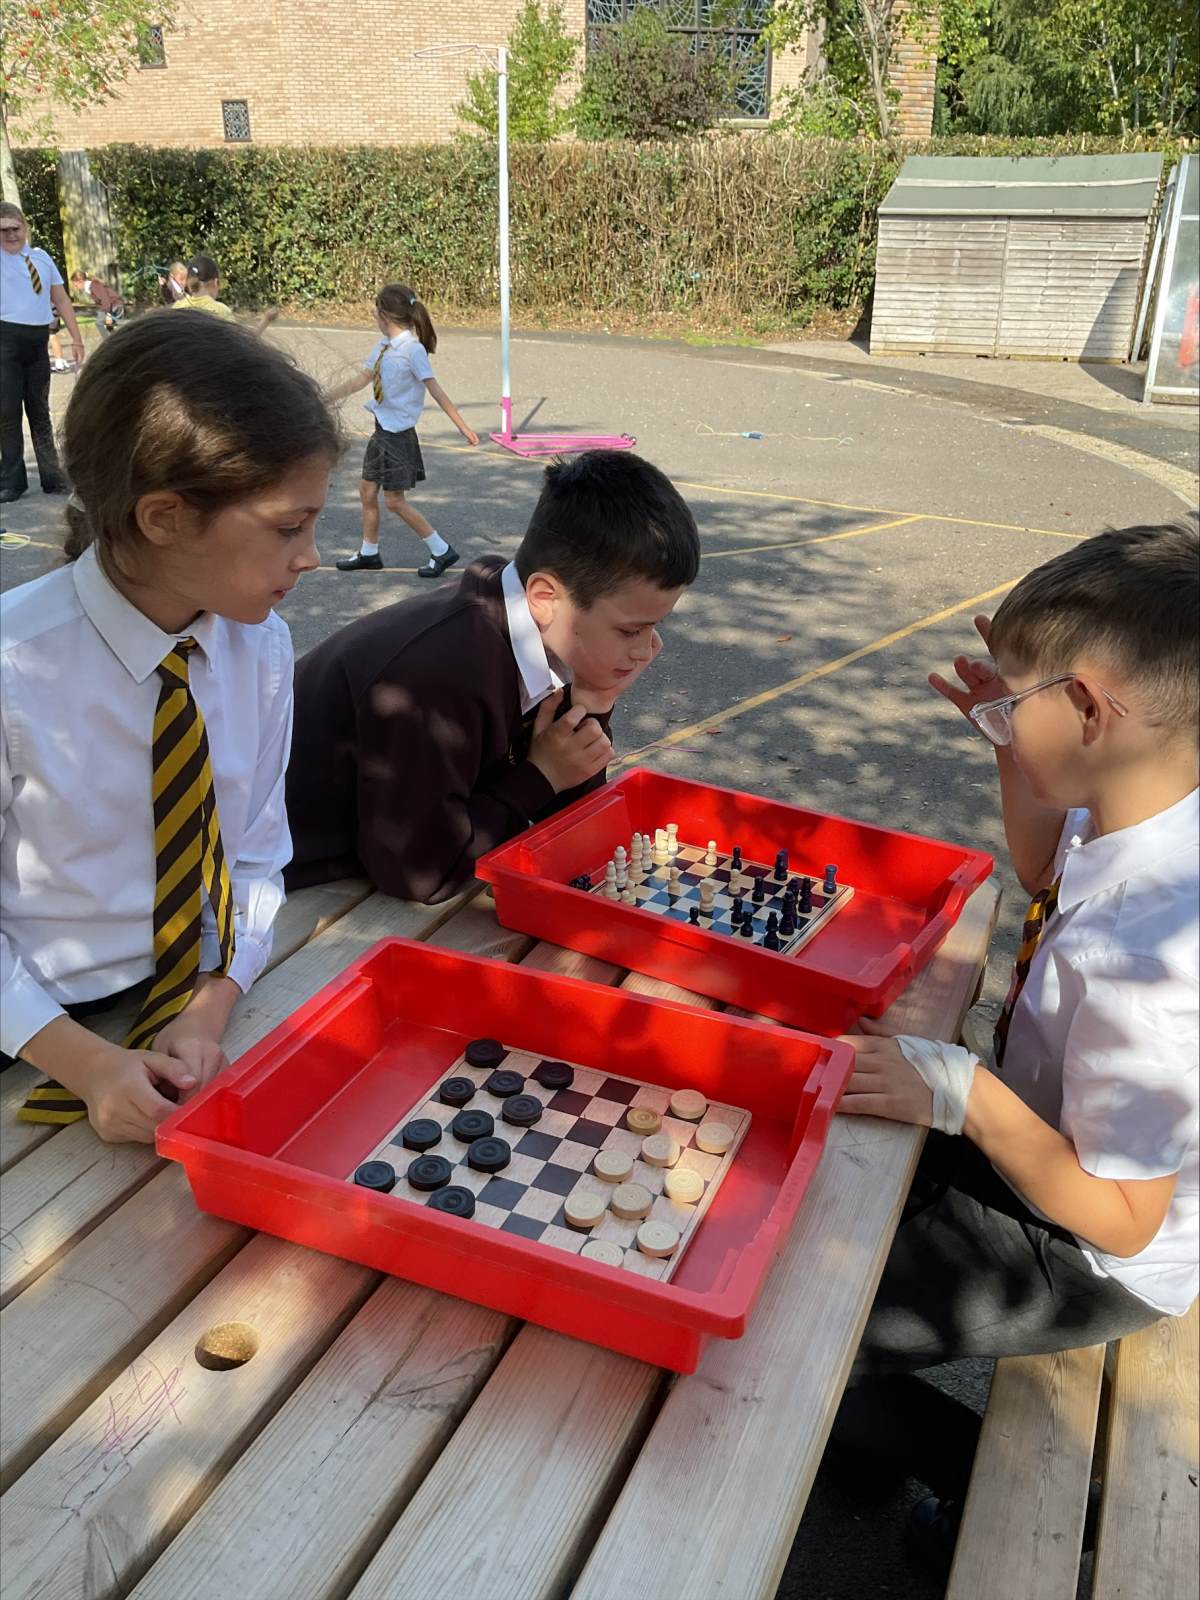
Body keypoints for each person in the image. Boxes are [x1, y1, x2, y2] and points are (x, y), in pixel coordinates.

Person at [830, 521, 1199, 1545]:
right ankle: (854, 1450)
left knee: (807, 1323)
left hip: (1086, 1248)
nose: (1002, 708)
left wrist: (964, 1093)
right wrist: (1010, 743)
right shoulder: (1147, 798)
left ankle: (1007, 1499)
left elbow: (1123, 1219)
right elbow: (1042, 870)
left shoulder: (1146, 962)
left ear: (1089, 708)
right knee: (833, 1189)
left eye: (1017, 697)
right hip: (1048, 1145)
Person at [0, 312, 340, 1143]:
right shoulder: (14, 667)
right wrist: (86, 1064)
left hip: (195, 996)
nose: (312, 556)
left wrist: (211, 1006)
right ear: (163, 517)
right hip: (34, 1033)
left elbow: (254, 853)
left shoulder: (259, 646)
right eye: (288, 527)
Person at [285, 449, 700, 905]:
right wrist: (541, 776)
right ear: (544, 597)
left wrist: (593, 705)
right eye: (630, 630)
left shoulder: (540, 632)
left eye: (655, 626)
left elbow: (576, 829)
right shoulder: (440, 677)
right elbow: (422, 874)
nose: (647, 649)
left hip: (378, 858)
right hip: (293, 883)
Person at [326, 282, 478, 579]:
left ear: (384, 316)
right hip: (382, 430)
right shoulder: (383, 347)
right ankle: (369, 552)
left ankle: (441, 550)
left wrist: (463, 426)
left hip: (398, 436)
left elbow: (435, 389)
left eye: (375, 312)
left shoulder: (412, 350)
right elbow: (361, 380)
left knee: (394, 501)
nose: (374, 317)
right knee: (367, 491)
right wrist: (325, 398)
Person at [0, 202, 86, 504]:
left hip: (37, 342)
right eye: (3, 230)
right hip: (5, 340)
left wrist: (77, 339)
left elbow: (61, 299)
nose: (11, 235)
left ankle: (52, 476)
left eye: (15, 228)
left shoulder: (41, 258)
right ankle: (11, 481)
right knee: (7, 412)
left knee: (40, 411)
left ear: (25, 227)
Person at [172, 253, 278, 333]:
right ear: (215, 282)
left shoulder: (177, 308)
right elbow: (242, 345)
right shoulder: (221, 311)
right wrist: (266, 320)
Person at [70, 269, 126, 336]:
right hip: (112, 305)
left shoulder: (94, 286)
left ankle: (109, 340)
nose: (76, 288)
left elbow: (105, 300)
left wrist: (108, 315)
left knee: (100, 323)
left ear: (80, 281)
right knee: (109, 325)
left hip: (114, 304)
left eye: (76, 285)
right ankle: (114, 339)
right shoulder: (91, 287)